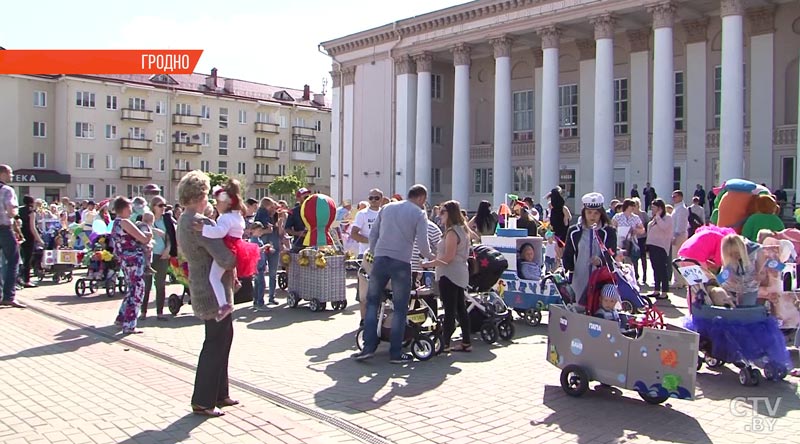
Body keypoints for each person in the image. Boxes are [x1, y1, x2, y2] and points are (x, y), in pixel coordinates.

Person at [175, 170, 238, 418]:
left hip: (205, 285)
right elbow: (223, 255)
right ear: (200, 195)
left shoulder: (185, 218)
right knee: (215, 342)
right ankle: (203, 400)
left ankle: (220, 393)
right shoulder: (198, 222)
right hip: (213, 291)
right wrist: (243, 252)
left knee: (223, 338)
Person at [352, 184, 435, 364]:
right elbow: (423, 244)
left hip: (380, 259)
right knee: (400, 308)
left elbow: (374, 234)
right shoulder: (419, 214)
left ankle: (368, 347)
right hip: (401, 262)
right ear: (422, 198)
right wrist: (433, 258)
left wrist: (374, 251)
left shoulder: (387, 208)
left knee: (373, 302)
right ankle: (396, 353)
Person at [198, 180, 260, 322]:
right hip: (235, 248)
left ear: (226, 203)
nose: (216, 206)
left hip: (226, 249)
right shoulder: (238, 216)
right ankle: (235, 280)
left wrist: (203, 229)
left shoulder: (225, 218)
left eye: (218, 203)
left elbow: (219, 232)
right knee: (225, 271)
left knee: (214, 277)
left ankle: (224, 305)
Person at [422, 200, 472, 353]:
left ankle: (445, 343)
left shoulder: (452, 232)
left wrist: (429, 264)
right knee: (460, 308)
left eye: (443, 212)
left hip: (450, 274)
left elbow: (448, 257)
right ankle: (466, 342)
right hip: (459, 272)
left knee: (450, 309)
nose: (440, 215)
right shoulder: (463, 229)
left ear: (450, 214)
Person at [563, 192, 617, 303]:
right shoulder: (574, 231)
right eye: (589, 212)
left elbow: (612, 252)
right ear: (584, 213)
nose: (592, 216)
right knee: (578, 305)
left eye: (596, 213)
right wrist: (567, 268)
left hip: (600, 276)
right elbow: (568, 253)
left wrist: (601, 261)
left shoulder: (608, 231)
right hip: (579, 276)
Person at [110, 197, 153, 334]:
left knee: (131, 289)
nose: (131, 210)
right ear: (123, 208)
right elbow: (144, 238)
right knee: (137, 291)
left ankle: (121, 318)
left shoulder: (116, 223)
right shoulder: (125, 222)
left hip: (125, 260)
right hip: (133, 260)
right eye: (129, 208)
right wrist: (149, 234)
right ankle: (129, 324)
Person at [141, 196, 174, 321]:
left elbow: (171, 236)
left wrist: (168, 249)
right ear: (153, 206)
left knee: (160, 284)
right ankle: (143, 311)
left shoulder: (166, 220)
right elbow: (139, 231)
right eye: (160, 205)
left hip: (162, 255)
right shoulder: (146, 218)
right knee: (146, 284)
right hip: (148, 255)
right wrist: (153, 230)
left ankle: (159, 312)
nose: (163, 208)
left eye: (164, 205)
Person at [0, 165, 24, 308]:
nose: (12, 176)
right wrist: (15, 215)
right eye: (10, 173)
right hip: (4, 229)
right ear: (2, 173)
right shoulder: (7, 190)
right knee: (13, 260)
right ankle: (9, 296)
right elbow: (11, 210)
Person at [254, 197, 284, 307]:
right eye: (271, 207)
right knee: (260, 273)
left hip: (274, 246)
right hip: (263, 246)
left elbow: (280, 233)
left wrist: (280, 221)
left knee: (273, 272)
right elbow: (257, 231)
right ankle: (258, 299)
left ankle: (271, 297)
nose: (273, 209)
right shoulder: (261, 214)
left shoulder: (275, 217)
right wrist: (267, 230)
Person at [719, 234, 759, 307]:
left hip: (749, 289)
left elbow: (778, 266)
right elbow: (721, 279)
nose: (735, 256)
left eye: (737, 253)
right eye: (731, 254)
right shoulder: (728, 260)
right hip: (729, 289)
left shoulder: (756, 253)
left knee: (746, 311)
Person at [645, 198, 673, 300]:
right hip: (652, 246)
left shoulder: (667, 218)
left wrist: (658, 217)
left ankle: (664, 291)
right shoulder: (654, 219)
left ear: (660, 208)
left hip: (661, 246)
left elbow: (664, 227)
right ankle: (656, 289)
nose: (652, 209)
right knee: (655, 269)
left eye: (654, 207)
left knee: (662, 269)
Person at [18, 195, 43, 288]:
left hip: (20, 235)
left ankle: (19, 278)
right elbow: (32, 227)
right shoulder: (31, 212)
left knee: (21, 257)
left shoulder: (19, 210)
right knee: (27, 259)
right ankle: (26, 280)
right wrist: (39, 239)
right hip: (29, 236)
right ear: (32, 202)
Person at [350, 189, 383, 256]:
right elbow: (354, 234)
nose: (373, 200)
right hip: (366, 254)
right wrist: (371, 241)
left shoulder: (384, 212)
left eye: (376, 198)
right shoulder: (362, 214)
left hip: (382, 253)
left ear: (381, 199)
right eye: (371, 198)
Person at [249, 222, 272, 311]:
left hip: (260, 264)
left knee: (258, 284)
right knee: (261, 284)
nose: (260, 232)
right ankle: (260, 303)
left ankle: (256, 301)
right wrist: (264, 247)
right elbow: (255, 250)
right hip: (256, 265)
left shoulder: (259, 239)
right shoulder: (253, 240)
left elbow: (262, 253)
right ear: (253, 230)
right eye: (258, 230)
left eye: (260, 230)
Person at [671, 190, 690, 289]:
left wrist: (675, 236)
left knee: (677, 259)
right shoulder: (677, 208)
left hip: (679, 236)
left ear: (680, 197)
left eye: (675, 196)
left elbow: (681, 224)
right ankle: (680, 280)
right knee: (677, 259)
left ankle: (679, 281)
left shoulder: (682, 209)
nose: (673, 198)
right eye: (672, 196)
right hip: (677, 235)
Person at [284, 188, 311, 253]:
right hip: (299, 244)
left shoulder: (314, 209)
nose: (307, 196)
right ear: (298, 198)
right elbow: (287, 229)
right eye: (304, 195)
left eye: (308, 194)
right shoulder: (293, 211)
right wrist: (298, 233)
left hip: (313, 244)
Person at [632, 197, 649, 284]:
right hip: (634, 239)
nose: (635, 207)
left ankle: (645, 274)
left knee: (643, 257)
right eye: (633, 205)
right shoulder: (631, 215)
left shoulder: (643, 214)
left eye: (636, 205)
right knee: (634, 258)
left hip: (642, 238)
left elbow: (647, 225)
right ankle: (636, 275)